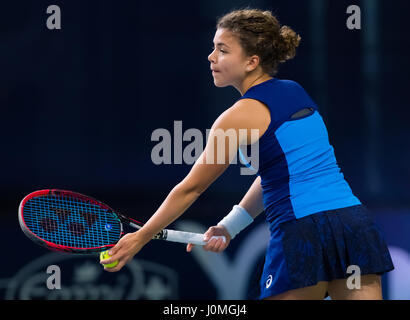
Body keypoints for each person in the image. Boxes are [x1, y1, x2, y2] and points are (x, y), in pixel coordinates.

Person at [101, 8, 394, 300]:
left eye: (223, 50)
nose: (211, 57)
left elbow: (191, 188)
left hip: (302, 230)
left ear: (252, 61)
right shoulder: (294, 91)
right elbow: (277, 174)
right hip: (352, 224)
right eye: (213, 48)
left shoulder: (236, 117)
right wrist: (230, 226)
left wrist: (140, 238)